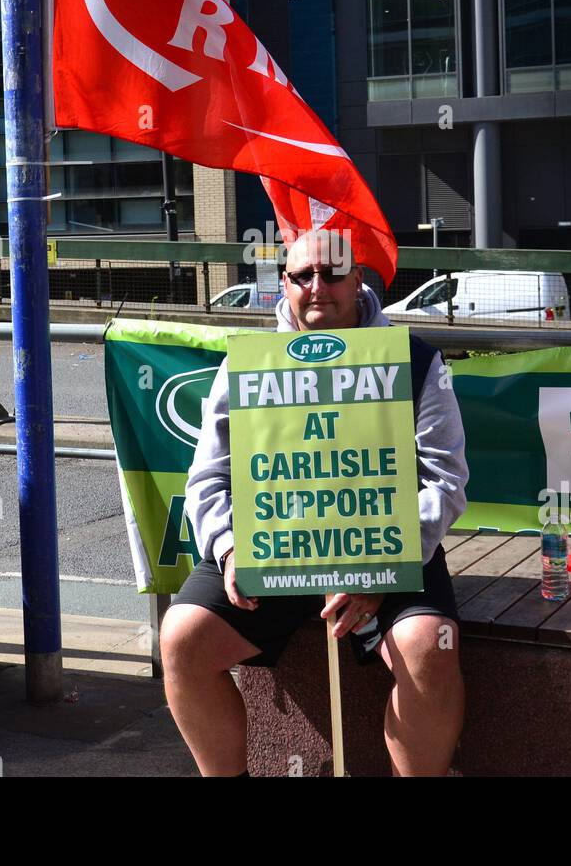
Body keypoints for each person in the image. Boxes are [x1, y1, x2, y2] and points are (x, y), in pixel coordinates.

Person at [161, 230, 469, 776]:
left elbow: (444, 480)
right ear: (285, 283)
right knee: (181, 639)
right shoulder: (249, 365)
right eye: (303, 276)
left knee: (429, 647)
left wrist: (379, 567)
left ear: (357, 279)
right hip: (272, 544)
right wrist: (232, 549)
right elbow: (208, 475)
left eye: (331, 274)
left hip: (386, 547)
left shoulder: (415, 360)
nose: (317, 287)